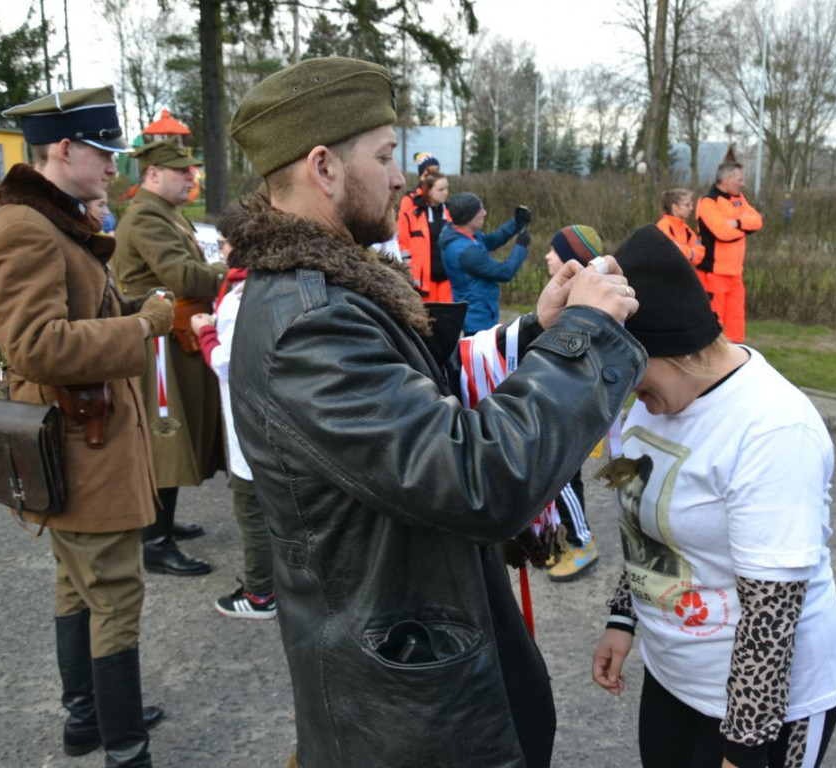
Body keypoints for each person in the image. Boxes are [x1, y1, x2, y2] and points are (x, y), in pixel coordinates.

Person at [225, 56, 645, 768]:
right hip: (405, 713)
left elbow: (416, 408)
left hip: (412, 659)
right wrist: (586, 336)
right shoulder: (310, 325)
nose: (400, 177)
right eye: (386, 156)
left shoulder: (330, 292)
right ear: (323, 167)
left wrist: (541, 333)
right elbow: (477, 477)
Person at [591, 224, 836, 768]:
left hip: (765, 709)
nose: (627, 394)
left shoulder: (773, 430)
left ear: (677, 350)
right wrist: (623, 618)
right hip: (674, 677)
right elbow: (648, 521)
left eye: (633, 376)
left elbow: (770, 617)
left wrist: (743, 753)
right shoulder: (654, 399)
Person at [0, 86, 170, 767]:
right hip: (79, 441)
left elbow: (81, 310)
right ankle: (125, 748)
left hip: (79, 436)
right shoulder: (25, 228)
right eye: (105, 152)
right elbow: (36, 344)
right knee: (114, 591)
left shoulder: (51, 219)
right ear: (65, 149)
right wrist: (143, 326)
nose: (115, 166)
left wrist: (140, 306)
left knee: (77, 583)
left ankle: (87, 718)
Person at [113, 140, 226, 577]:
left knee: (172, 436)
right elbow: (183, 275)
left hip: (171, 335)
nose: (191, 178)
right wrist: (233, 269)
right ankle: (156, 543)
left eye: (192, 171)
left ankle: (161, 525)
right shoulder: (145, 216)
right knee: (165, 435)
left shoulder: (164, 213)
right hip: (157, 342)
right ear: (153, 174)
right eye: (182, 172)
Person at [189, 206, 276, 619]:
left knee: (252, 509)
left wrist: (203, 329)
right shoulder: (260, 281)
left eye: (223, 243)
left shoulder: (241, 295)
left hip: (248, 419)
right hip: (267, 417)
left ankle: (261, 594)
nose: (219, 250)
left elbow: (228, 361)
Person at [541, 225, 606, 581]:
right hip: (561, 404)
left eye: (555, 250)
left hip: (573, 407)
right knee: (562, 479)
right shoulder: (565, 296)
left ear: (572, 259)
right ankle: (568, 540)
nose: (548, 256)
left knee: (561, 478)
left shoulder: (583, 303)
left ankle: (583, 543)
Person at [440, 191, 532, 333]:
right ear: (468, 217)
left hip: (478, 313)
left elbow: (491, 240)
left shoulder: (459, 233)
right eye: (479, 210)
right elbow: (504, 272)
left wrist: (516, 224)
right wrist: (520, 247)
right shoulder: (466, 252)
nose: (484, 213)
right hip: (478, 318)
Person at [695, 161, 763, 343]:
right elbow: (723, 233)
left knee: (736, 320)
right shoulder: (708, 202)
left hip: (735, 273)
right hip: (714, 273)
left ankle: (736, 355)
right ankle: (713, 362)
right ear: (726, 179)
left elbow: (757, 221)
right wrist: (742, 223)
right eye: (740, 179)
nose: (743, 183)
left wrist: (738, 223)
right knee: (714, 321)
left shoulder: (738, 198)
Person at [397, 170, 452, 302]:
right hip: (423, 281)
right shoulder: (411, 214)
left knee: (450, 318)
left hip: (448, 280)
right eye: (441, 189)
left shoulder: (452, 212)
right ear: (429, 191)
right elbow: (402, 244)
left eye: (447, 188)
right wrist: (409, 272)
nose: (446, 192)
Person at [655, 188, 705, 266]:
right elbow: (671, 252)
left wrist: (684, 251)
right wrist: (689, 252)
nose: (691, 208)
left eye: (691, 205)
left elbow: (701, 252)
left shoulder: (686, 229)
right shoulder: (663, 226)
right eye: (687, 205)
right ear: (674, 207)